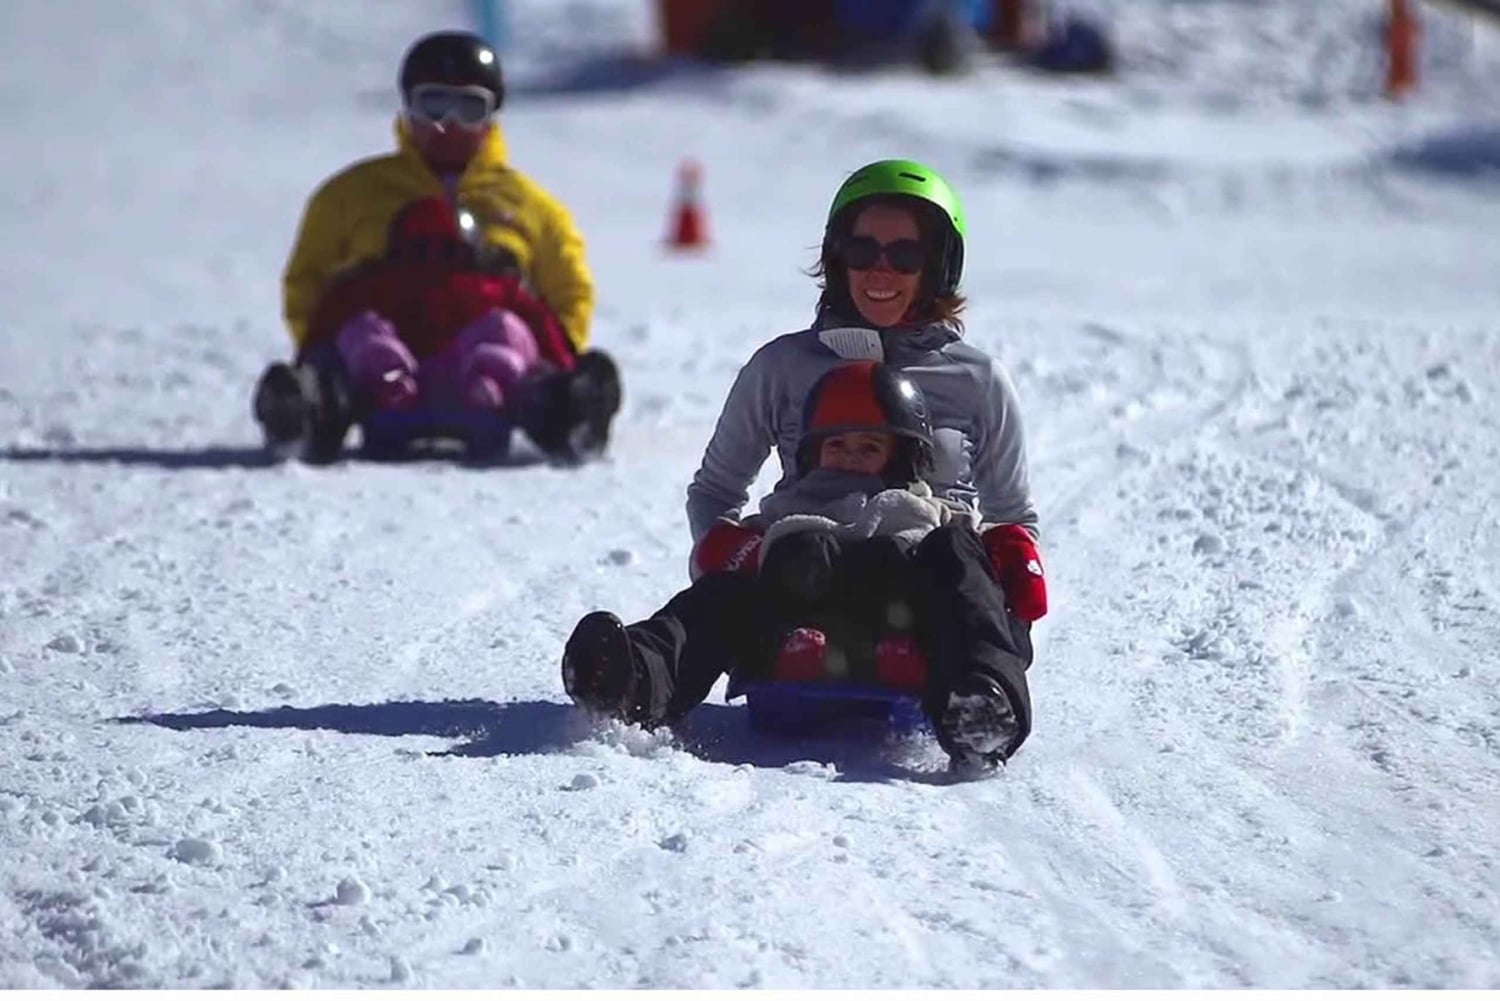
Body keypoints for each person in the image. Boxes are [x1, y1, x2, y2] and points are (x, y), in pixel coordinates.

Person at [563, 361, 1045, 771]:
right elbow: (722, 557)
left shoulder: (929, 508)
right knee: (723, 596)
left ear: (903, 456)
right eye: (837, 446)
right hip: (801, 621)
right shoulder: (786, 508)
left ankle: (984, 704)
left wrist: (1004, 552)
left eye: (869, 446)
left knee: (958, 560)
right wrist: (744, 552)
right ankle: (635, 678)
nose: (850, 458)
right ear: (812, 452)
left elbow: (982, 559)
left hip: (909, 624)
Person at [251, 29, 620, 463]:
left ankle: (566, 408)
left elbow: (569, 288)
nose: (449, 124)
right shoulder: (354, 194)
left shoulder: (527, 206)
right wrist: (320, 346)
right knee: (359, 339)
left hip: (488, 352)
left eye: (469, 108)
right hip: (383, 348)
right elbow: (308, 278)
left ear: (492, 115)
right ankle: (311, 405)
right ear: (407, 106)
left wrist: (556, 354)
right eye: (433, 105)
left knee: (512, 345)